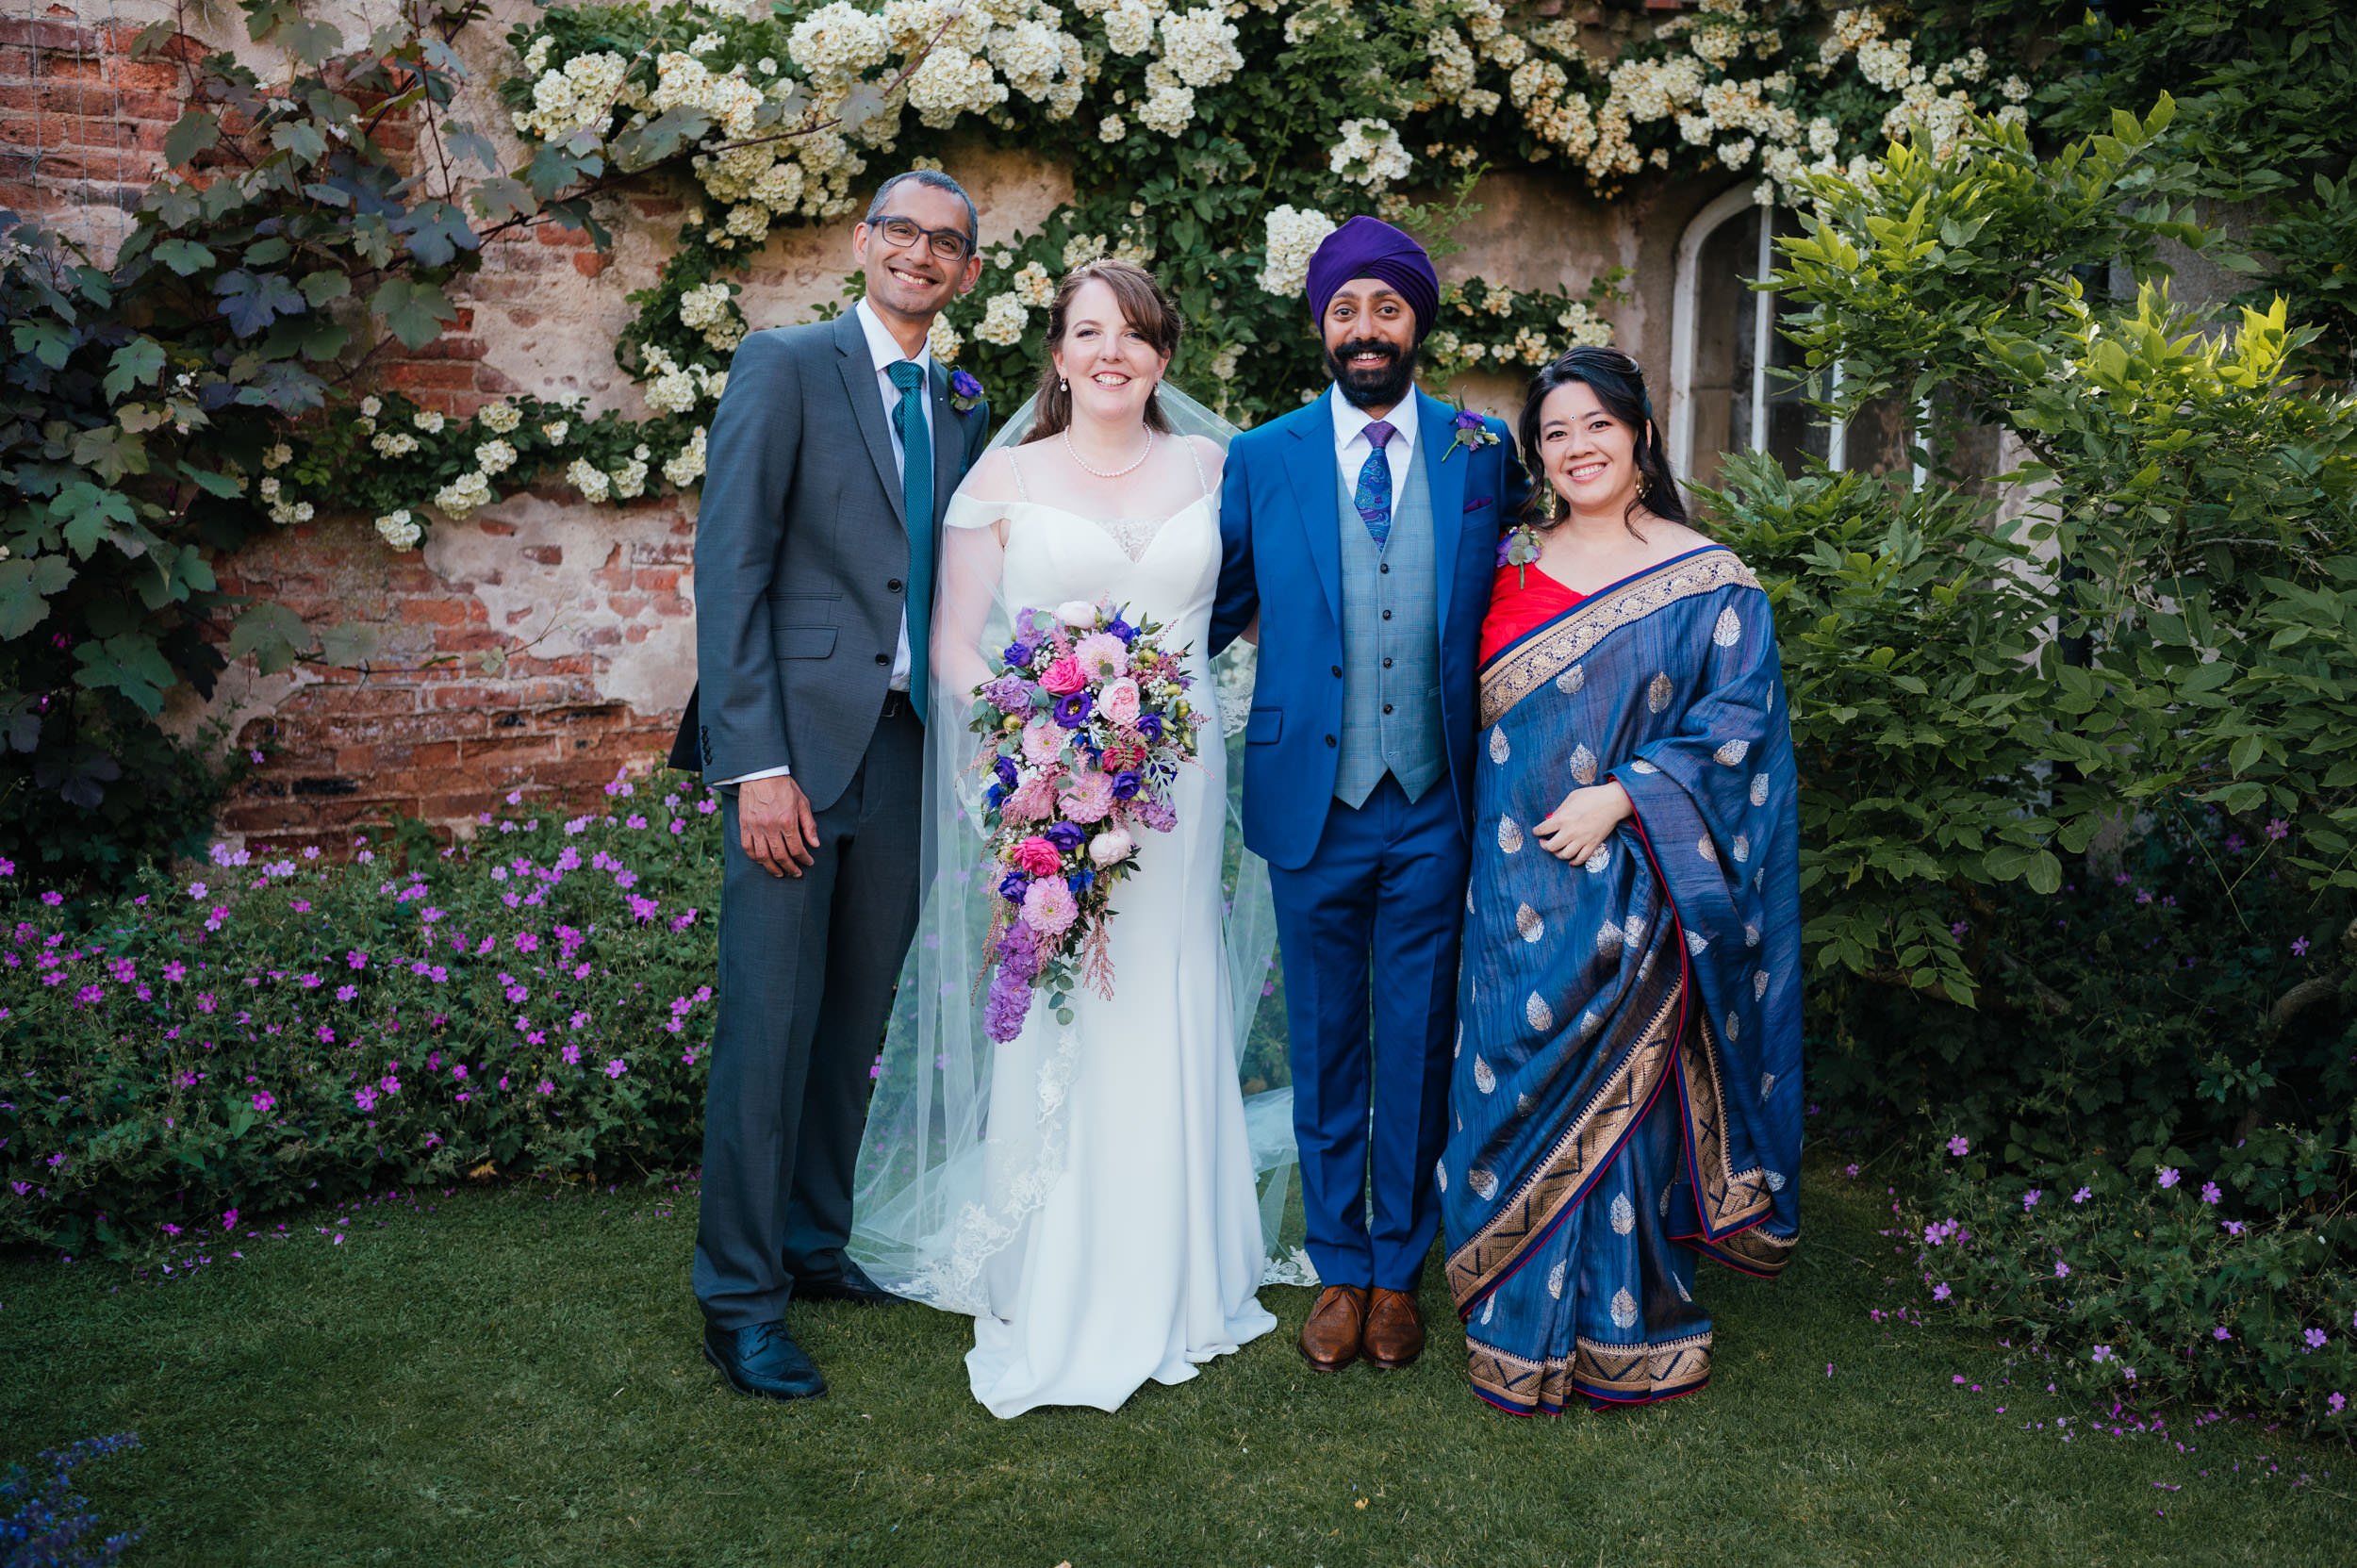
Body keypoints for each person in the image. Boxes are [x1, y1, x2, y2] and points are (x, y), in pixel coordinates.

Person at [849, 260, 1293, 1418]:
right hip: (1055, 783)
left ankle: (1183, 1260)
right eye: (1088, 332)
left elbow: (1245, 596)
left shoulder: (1215, 466)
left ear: (1161, 356)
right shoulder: (1002, 478)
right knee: (1069, 1007)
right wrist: (1035, 739)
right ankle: (1061, 1254)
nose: (1112, 354)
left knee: (1167, 986)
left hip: (1178, 793)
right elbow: (951, 645)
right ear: (1056, 354)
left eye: (1135, 335)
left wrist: (1170, 683)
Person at [668, 169, 991, 1402]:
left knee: (852, 1021)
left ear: (963, 271)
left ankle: (811, 1240)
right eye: (900, 230)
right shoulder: (786, 364)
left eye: (944, 243)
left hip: (909, 748)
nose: (919, 253)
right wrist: (753, 762)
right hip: (794, 754)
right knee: (768, 1026)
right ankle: (738, 1299)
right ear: (864, 242)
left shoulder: (957, 404)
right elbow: (729, 565)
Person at [1439, 346, 1802, 1414]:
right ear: (1537, 457)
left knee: (1629, 1104)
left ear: (1639, 433)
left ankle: (1623, 1328)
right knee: (1504, 1070)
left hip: (1636, 890)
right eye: (1555, 433)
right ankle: (1512, 1319)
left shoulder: (1711, 580)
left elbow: (1741, 730)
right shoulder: (1502, 562)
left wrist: (1629, 793)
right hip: (1507, 892)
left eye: (1597, 424)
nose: (1578, 446)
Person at [1209, 217, 1529, 1373]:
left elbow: (1522, 600)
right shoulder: (1263, 457)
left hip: (1435, 803)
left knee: (1419, 1039)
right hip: (1311, 797)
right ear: (1319, 325)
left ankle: (1400, 1270)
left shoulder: (1480, 450)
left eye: (1384, 309)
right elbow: (1211, 608)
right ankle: (1337, 1267)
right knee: (1326, 1041)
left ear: (1416, 325)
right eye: (1345, 309)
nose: (1364, 329)